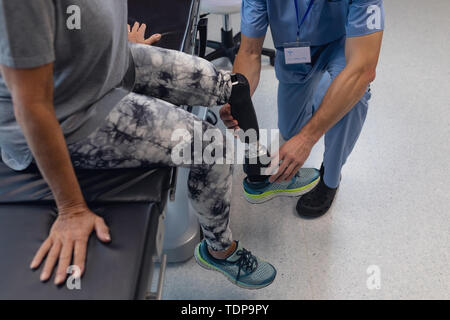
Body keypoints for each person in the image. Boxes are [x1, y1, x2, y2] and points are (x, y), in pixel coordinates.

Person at [0, 0, 290, 289]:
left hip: (107, 64)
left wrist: (112, 40)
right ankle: (219, 250)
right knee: (214, 148)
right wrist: (72, 208)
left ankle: (258, 171)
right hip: (68, 116)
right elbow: (32, 106)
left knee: (234, 86)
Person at [220, 0, 385, 218]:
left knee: (355, 95)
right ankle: (327, 97)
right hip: (293, 50)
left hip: (341, 45)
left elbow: (362, 69)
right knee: (289, 131)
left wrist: (308, 138)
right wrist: (238, 98)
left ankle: (330, 178)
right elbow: (250, 52)